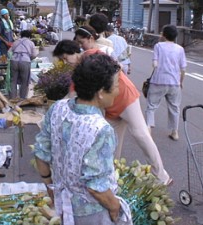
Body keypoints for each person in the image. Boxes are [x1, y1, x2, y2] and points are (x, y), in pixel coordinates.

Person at [53, 40, 173, 185]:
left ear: (74, 51)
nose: (66, 62)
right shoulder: (78, 73)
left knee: (140, 134)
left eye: (66, 58)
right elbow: (71, 96)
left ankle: (162, 176)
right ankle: (111, 175)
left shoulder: (92, 55)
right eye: (63, 60)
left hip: (124, 96)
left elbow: (117, 67)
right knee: (109, 142)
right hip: (108, 105)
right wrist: (57, 110)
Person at [34, 53, 132, 225]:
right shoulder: (101, 129)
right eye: (116, 85)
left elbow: (41, 153)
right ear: (101, 92)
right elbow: (96, 186)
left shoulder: (58, 108)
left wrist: (50, 185)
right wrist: (115, 206)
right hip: (91, 213)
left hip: (62, 203)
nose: (118, 91)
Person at [146, 25, 187, 141]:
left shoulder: (158, 46)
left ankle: (148, 128)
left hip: (158, 81)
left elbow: (154, 64)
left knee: (151, 106)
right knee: (174, 107)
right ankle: (175, 132)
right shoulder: (180, 49)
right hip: (174, 82)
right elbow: (183, 69)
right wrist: (180, 82)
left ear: (163, 35)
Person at [9, 30, 38, 99]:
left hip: (14, 61)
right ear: (29, 36)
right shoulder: (30, 43)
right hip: (25, 61)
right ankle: (22, 99)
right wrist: (29, 58)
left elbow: (9, 52)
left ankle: (13, 98)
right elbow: (34, 54)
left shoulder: (16, 42)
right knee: (24, 81)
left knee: (13, 81)